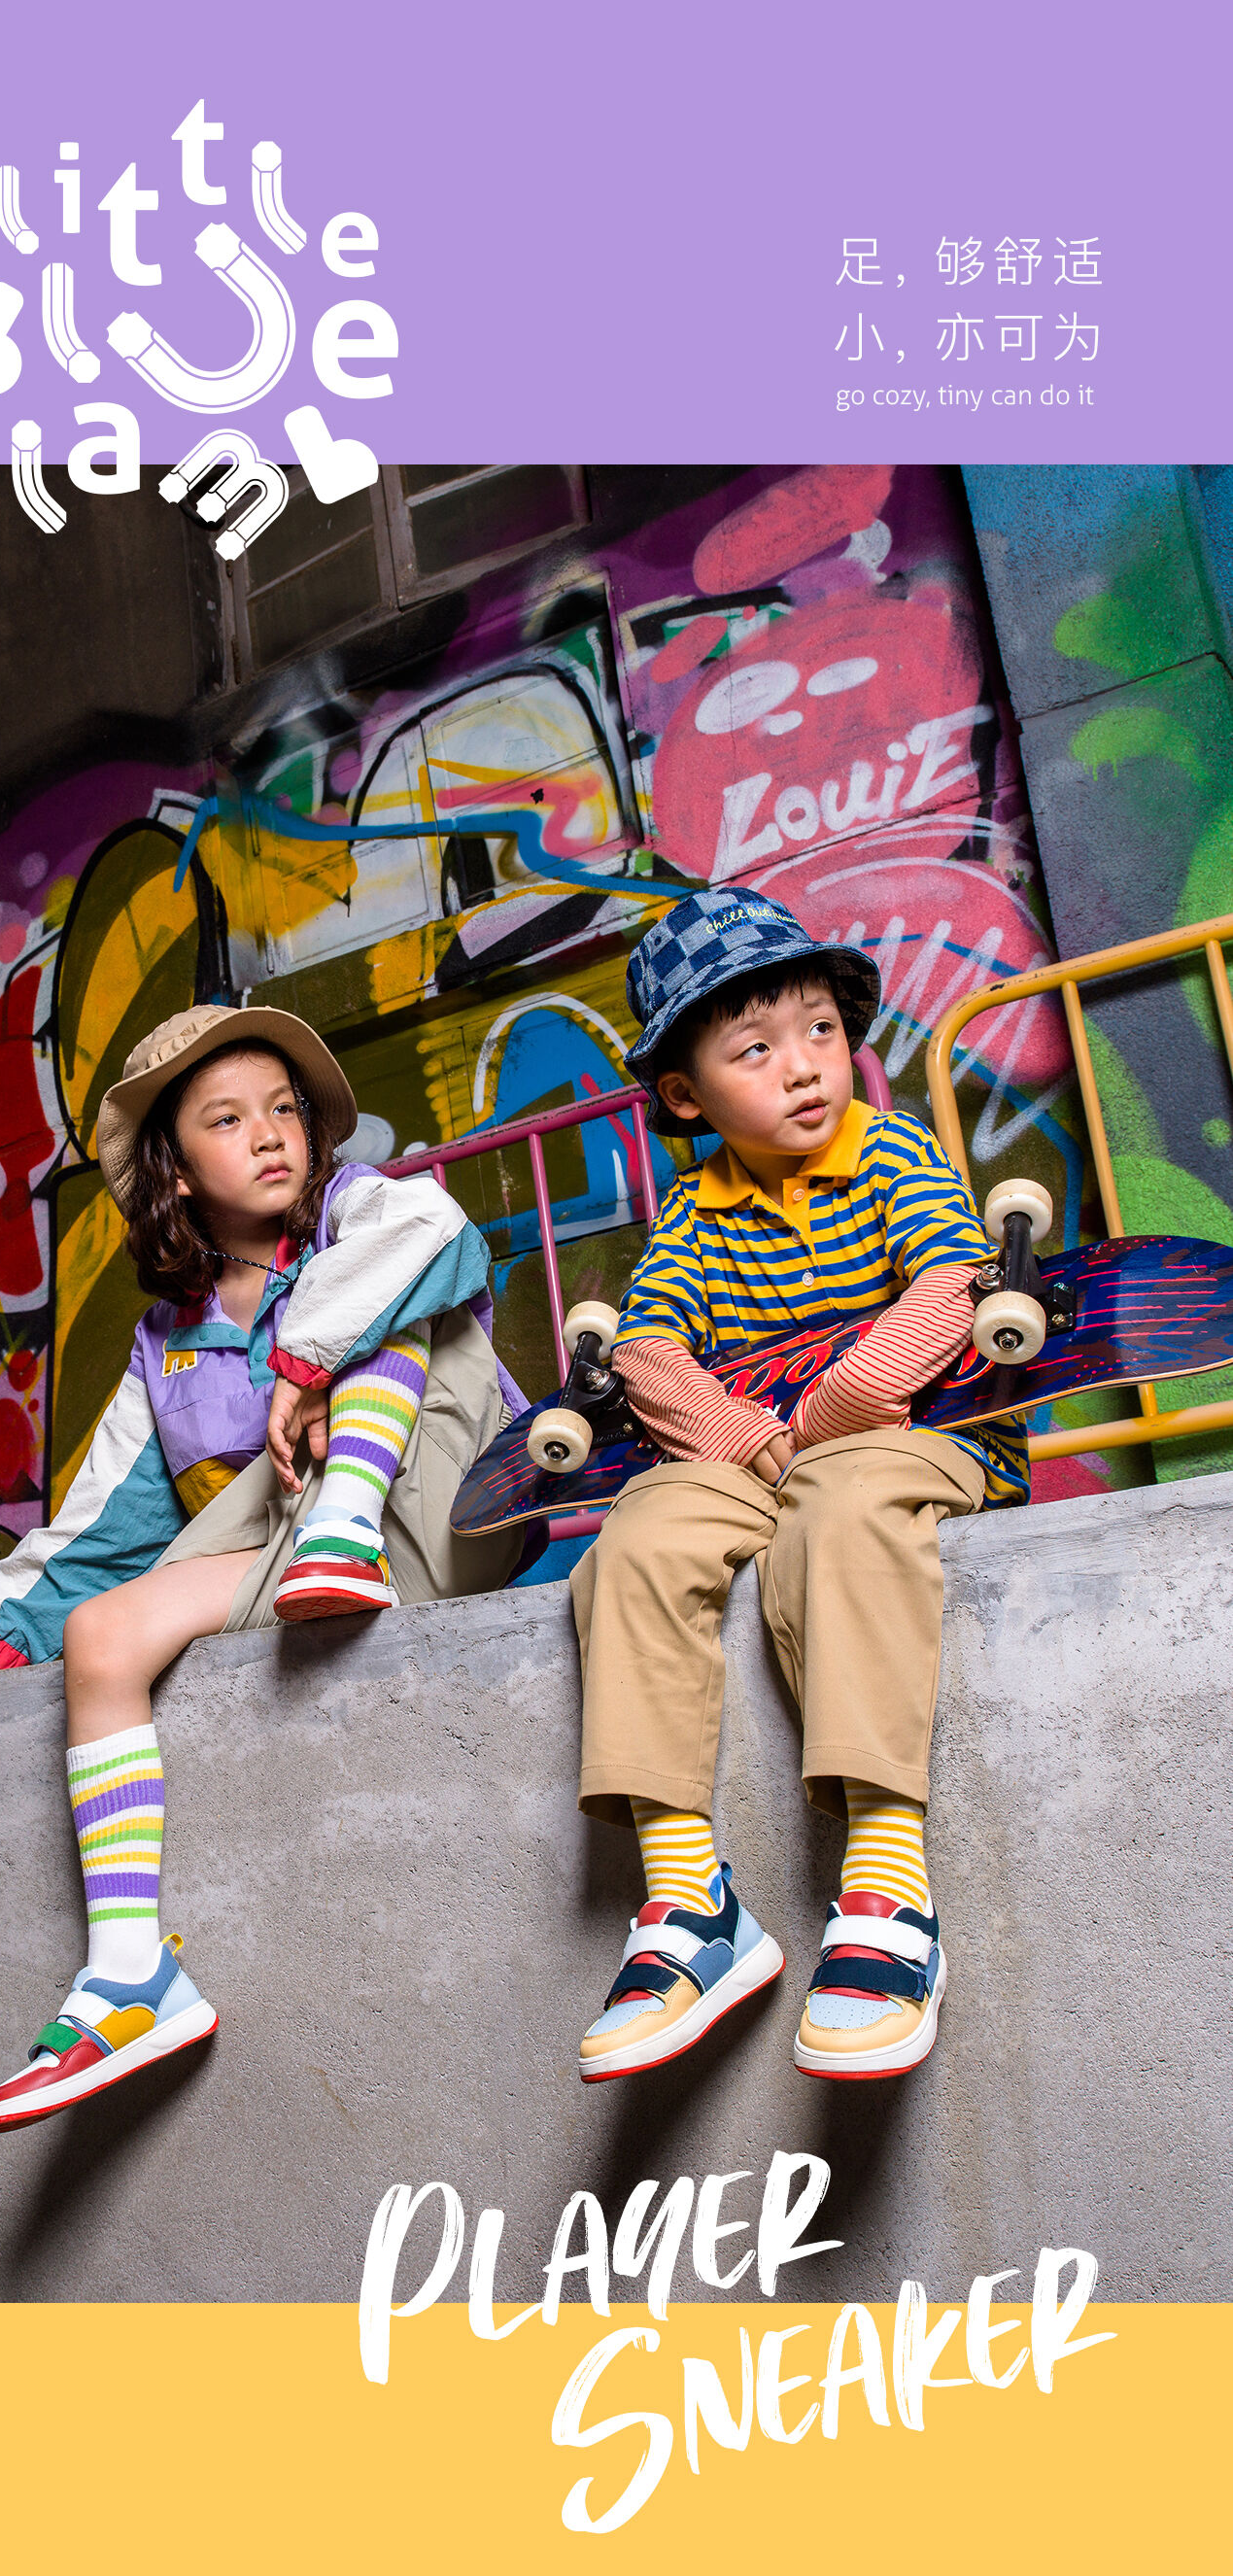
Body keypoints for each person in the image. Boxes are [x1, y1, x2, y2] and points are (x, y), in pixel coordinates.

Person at [0, 1004, 525, 2129]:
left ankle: (342, 1524)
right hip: (301, 1567)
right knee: (103, 1632)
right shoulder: (166, 1344)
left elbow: (435, 1231)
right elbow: (99, 1528)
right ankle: (131, 1973)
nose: (269, 1134)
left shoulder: (362, 1210)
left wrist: (306, 1359)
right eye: (227, 1119)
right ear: (175, 1171)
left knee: (391, 1289)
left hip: (445, 1517)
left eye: (284, 1109)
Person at [571, 887, 1028, 2086]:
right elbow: (647, 1354)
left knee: (845, 1502)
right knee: (637, 1536)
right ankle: (690, 1902)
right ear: (686, 1095)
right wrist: (746, 1434)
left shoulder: (891, 1151)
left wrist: (828, 1412)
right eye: (756, 1048)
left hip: (913, 1438)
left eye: (821, 1028)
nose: (804, 1064)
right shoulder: (696, 1209)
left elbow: (950, 1287)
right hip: (768, 1453)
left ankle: (885, 1883)